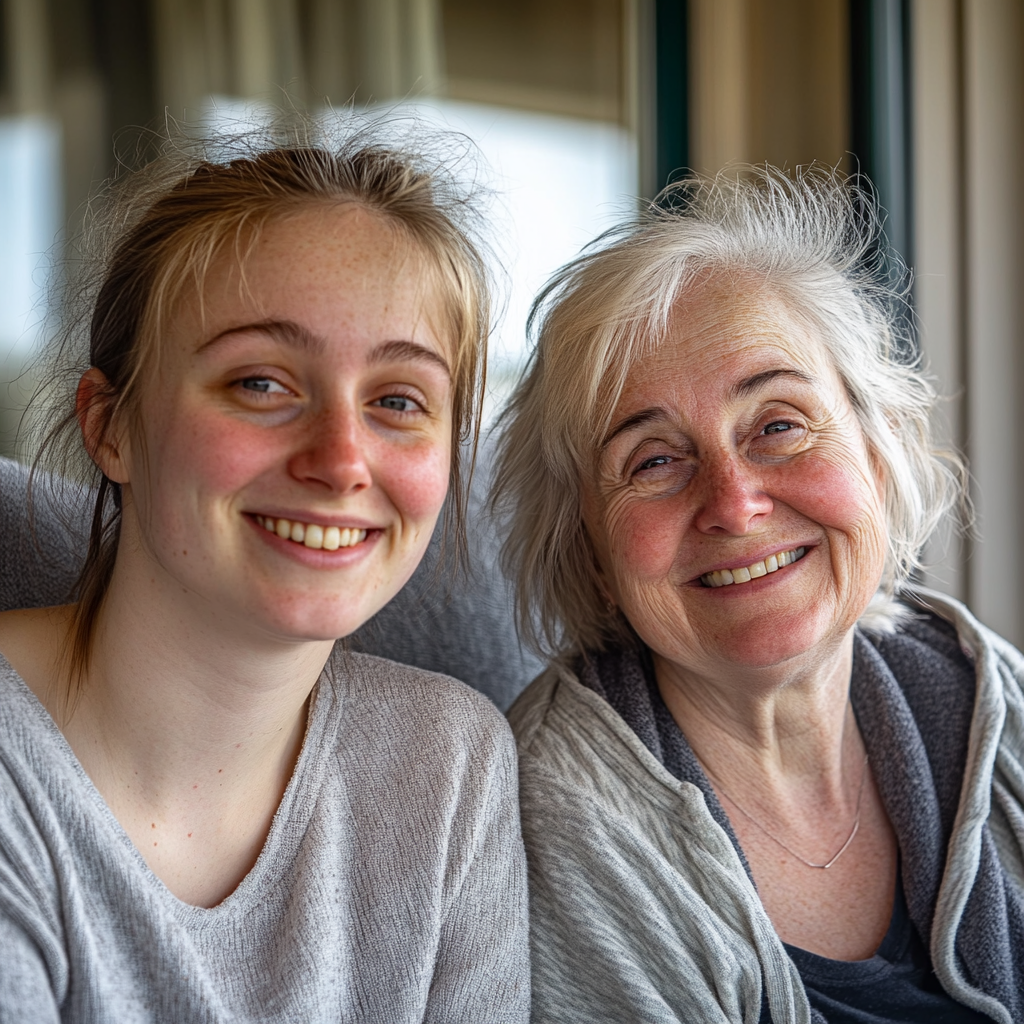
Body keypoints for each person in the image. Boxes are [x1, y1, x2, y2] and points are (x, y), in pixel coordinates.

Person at [0, 122, 529, 1022]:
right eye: (260, 383)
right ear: (109, 426)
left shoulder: (446, 767)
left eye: (399, 400)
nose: (341, 460)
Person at [492, 167, 1024, 1023]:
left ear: (879, 453)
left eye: (778, 424)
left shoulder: (986, 696)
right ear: (589, 551)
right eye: (654, 461)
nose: (735, 504)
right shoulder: (559, 824)